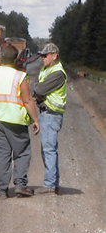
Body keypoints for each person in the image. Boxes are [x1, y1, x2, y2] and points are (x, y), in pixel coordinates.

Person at [0, 45, 40, 199]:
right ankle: (20, 185)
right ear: (15, 60)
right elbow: (27, 100)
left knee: (1, 156)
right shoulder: (19, 76)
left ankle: (2, 191)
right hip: (16, 121)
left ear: (0, 58)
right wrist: (35, 119)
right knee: (22, 153)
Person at [33, 43, 67, 195]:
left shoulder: (57, 73)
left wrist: (37, 90)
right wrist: (37, 89)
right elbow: (37, 86)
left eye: (45, 55)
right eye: (41, 56)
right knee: (48, 149)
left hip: (51, 114)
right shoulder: (46, 70)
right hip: (47, 113)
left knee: (48, 150)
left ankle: (50, 184)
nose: (43, 58)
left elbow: (38, 89)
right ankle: (54, 183)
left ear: (55, 55)